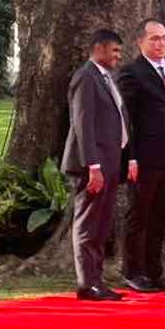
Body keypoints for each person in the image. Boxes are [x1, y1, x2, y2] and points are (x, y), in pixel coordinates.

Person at [116, 18, 165, 293]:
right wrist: (130, 158)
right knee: (140, 216)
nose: (160, 43)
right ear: (141, 42)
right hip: (145, 158)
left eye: (164, 37)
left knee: (160, 216)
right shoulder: (131, 73)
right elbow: (127, 120)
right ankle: (133, 272)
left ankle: (154, 271)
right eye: (154, 38)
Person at [61, 29, 131, 302]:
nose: (118, 56)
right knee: (88, 224)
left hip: (111, 162)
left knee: (101, 224)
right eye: (114, 50)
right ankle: (87, 283)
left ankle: (96, 280)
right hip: (93, 165)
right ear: (99, 48)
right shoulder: (86, 78)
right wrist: (93, 166)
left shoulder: (106, 78)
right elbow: (83, 125)